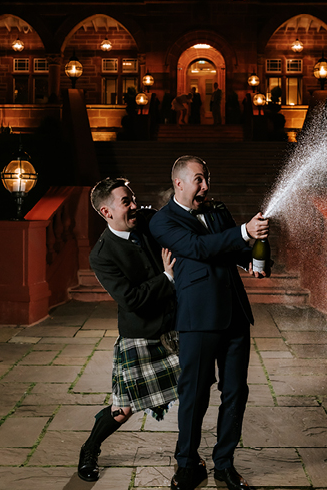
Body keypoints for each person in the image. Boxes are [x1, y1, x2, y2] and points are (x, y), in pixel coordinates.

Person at [149, 156, 269, 490]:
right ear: (179, 183)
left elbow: (237, 250)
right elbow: (199, 248)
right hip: (198, 319)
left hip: (234, 316)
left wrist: (255, 255)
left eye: (207, 179)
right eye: (199, 180)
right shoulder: (163, 222)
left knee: (235, 392)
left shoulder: (217, 210)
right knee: (195, 395)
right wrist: (244, 232)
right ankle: (187, 463)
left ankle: (224, 463)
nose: (205, 186)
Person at [77, 178, 181, 482]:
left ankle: (187, 457)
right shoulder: (102, 255)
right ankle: (90, 448)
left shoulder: (147, 221)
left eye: (133, 198)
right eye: (127, 202)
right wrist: (167, 277)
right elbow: (131, 299)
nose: (135, 206)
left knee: (195, 391)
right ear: (107, 212)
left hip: (177, 325)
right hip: (141, 334)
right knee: (123, 409)